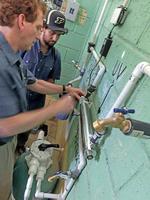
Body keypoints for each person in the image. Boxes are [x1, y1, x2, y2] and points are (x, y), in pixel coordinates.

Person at [0, 1, 84, 200]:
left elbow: (34, 82)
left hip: (10, 140)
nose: (39, 35)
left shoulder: (13, 55)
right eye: (39, 28)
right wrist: (56, 108)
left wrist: (65, 89)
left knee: (16, 152)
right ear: (22, 21)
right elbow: (4, 127)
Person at [16, 9, 68, 153]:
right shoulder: (26, 45)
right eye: (52, 32)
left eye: (59, 35)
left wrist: (62, 95)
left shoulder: (56, 56)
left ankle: (18, 150)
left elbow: (51, 82)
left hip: (35, 104)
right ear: (43, 27)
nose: (55, 38)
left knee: (22, 137)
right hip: (15, 100)